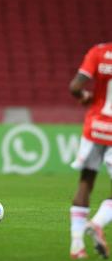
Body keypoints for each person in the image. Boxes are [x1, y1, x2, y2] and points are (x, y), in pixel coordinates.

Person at [69, 42, 112, 259]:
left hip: (95, 127)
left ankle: (77, 246)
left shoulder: (99, 52)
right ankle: (96, 223)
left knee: (86, 181)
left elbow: (75, 87)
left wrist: (86, 97)